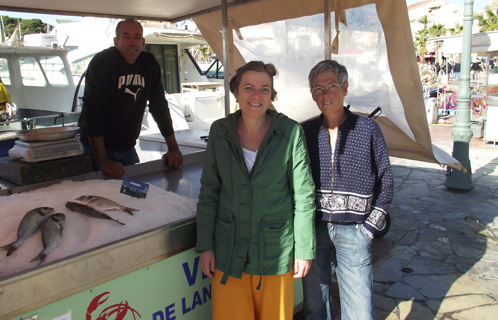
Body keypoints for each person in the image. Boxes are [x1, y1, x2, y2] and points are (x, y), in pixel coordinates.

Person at [196, 61, 316, 320]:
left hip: (275, 252)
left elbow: (304, 196)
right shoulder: (219, 131)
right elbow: (209, 194)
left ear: (272, 95)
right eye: (249, 88)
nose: (256, 96)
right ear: (236, 92)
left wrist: (304, 250)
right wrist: (206, 245)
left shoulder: (291, 132)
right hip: (228, 251)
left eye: (264, 89)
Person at [301, 60, 394, 320]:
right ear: (312, 95)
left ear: (345, 88)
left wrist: (369, 229)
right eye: (318, 89)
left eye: (331, 86)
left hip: (355, 231)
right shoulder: (304, 131)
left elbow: (385, 180)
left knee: (360, 308)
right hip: (313, 229)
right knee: (315, 304)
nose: (325, 93)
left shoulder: (367, 129)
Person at [78, 19, 183, 179]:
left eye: (137, 37)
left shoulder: (149, 63)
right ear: (116, 41)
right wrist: (103, 161)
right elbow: (93, 112)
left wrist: (173, 148)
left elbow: (159, 106)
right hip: (94, 151)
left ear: (143, 42)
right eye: (126, 37)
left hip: (127, 149)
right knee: (97, 199)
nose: (132, 43)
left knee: (134, 197)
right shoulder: (103, 62)